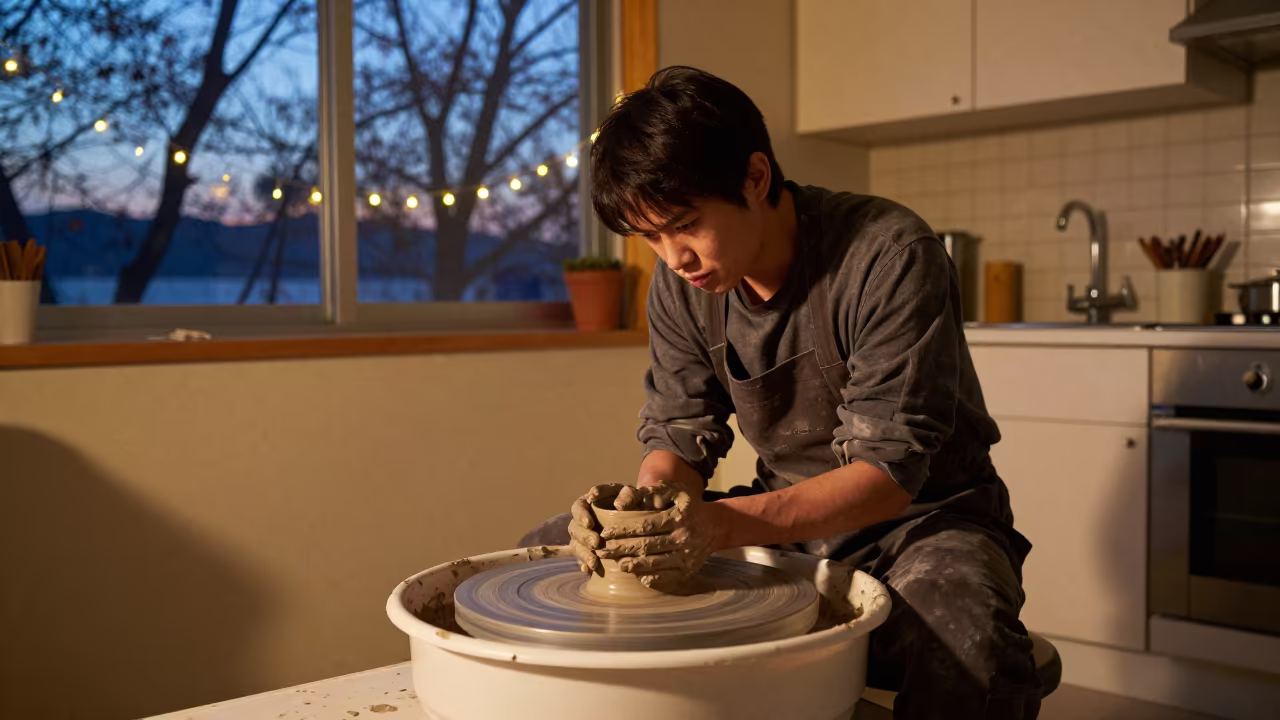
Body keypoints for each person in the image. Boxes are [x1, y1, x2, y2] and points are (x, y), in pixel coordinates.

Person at [519, 65, 1040, 719]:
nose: (673, 256)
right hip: (793, 524)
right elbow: (679, 433)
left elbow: (887, 476)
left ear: (756, 178)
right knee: (543, 554)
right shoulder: (683, 284)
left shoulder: (886, 255)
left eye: (683, 224)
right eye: (651, 237)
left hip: (926, 523)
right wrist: (649, 515)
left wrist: (714, 527)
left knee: (964, 631)